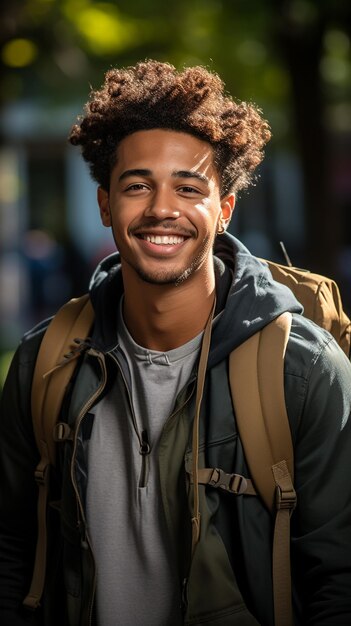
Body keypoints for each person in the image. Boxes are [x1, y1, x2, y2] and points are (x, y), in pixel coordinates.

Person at [1, 60, 351, 626]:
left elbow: (338, 582)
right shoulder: (44, 363)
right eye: (138, 186)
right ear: (105, 204)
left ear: (224, 209)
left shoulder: (303, 371)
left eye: (189, 187)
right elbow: (13, 551)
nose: (162, 208)